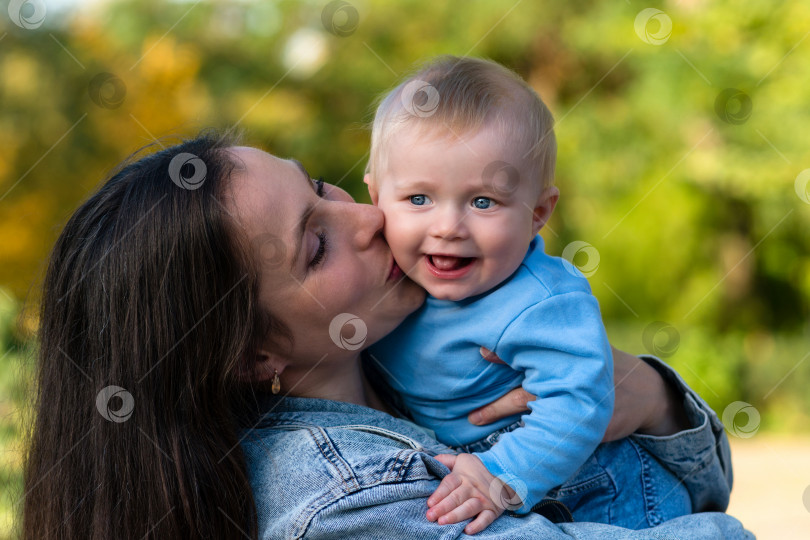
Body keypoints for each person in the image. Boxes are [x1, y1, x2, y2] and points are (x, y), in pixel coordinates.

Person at [23, 133, 750, 539]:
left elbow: (676, 489)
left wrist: (650, 397)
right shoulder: (347, 501)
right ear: (252, 356)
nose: (371, 221)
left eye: (321, 188)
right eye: (315, 247)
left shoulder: (422, 363)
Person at [364, 55, 689, 532]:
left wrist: (499, 475)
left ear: (538, 212)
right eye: (419, 199)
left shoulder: (541, 299)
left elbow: (579, 398)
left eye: (482, 202)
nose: (448, 227)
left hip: (596, 485)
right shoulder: (378, 284)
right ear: (376, 199)